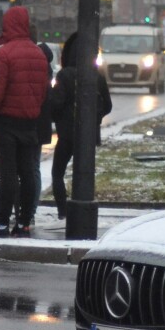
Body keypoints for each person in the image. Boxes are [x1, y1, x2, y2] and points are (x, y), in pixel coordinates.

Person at [0, 7, 49, 238]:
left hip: (5, 123)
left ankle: (1, 224)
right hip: (29, 123)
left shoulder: (4, 54)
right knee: (28, 173)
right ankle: (24, 223)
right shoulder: (39, 55)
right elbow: (43, 90)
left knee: (8, 176)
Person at [48, 31, 112, 219]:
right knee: (83, 173)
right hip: (89, 135)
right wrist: (95, 118)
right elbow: (108, 105)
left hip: (67, 135)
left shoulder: (64, 75)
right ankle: (82, 207)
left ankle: (63, 211)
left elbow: (56, 103)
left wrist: (58, 118)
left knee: (57, 173)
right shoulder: (97, 76)